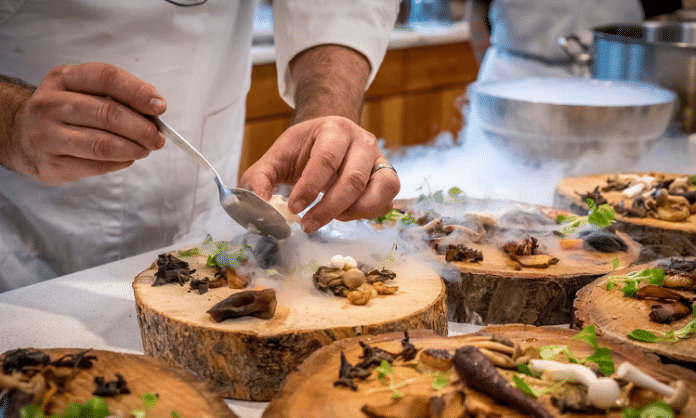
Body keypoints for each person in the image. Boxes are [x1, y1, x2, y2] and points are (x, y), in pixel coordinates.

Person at [0, 0, 401, 292]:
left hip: (201, 214)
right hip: (28, 252)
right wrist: (14, 120)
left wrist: (326, 113)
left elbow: (340, 9)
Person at [468, 0, 683, 82]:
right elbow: (477, 11)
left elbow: (656, 21)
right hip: (512, 78)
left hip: (609, 86)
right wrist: (484, 90)